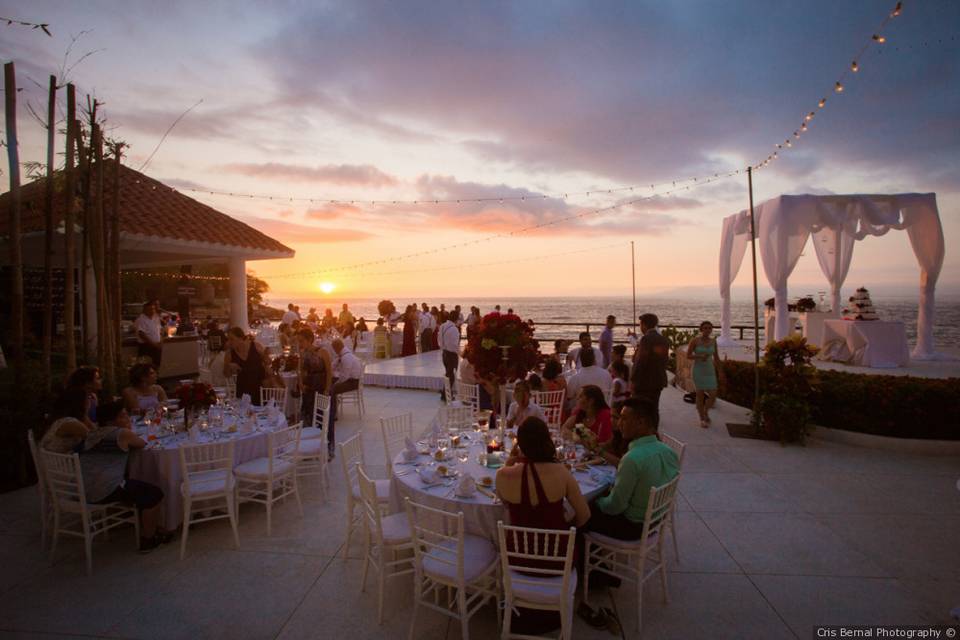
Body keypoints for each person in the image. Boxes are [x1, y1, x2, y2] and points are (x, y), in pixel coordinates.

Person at [495, 416, 591, 635]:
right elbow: (584, 515)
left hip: (518, 558)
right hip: (558, 560)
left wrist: (512, 459)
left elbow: (504, 504)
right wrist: (566, 526)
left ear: (519, 443)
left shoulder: (502, 476)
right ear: (547, 440)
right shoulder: (561, 473)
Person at [41, 393, 172, 553]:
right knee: (154, 494)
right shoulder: (122, 434)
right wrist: (129, 431)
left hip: (80, 489)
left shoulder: (91, 435)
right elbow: (142, 443)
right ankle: (149, 539)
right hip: (103, 490)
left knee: (134, 484)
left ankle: (152, 526)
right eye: (124, 416)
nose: (128, 420)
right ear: (112, 421)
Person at [586, 398, 679, 540]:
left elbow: (615, 507)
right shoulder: (668, 451)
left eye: (624, 419)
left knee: (579, 512)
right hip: (656, 520)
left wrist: (595, 501)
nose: (619, 423)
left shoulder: (632, 459)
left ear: (640, 423)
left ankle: (583, 560)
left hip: (633, 528)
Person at [630, 313, 670, 426]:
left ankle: (643, 433)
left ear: (644, 325)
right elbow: (664, 360)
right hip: (658, 380)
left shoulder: (646, 339)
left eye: (640, 324)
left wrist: (633, 380)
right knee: (654, 409)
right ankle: (653, 432)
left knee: (640, 410)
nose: (640, 327)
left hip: (644, 382)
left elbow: (641, 362)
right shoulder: (663, 339)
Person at [328, 338, 364, 458]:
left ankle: (333, 413)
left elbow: (345, 376)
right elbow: (334, 365)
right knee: (331, 384)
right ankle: (333, 408)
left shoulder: (346, 357)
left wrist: (336, 382)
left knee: (332, 390)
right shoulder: (343, 355)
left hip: (352, 382)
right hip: (349, 379)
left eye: (333, 349)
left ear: (336, 348)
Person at [687, 320, 724, 428]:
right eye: (705, 328)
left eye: (709, 328)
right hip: (698, 370)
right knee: (700, 394)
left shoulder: (713, 341)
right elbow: (688, 356)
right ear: (701, 329)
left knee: (713, 395)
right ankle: (702, 418)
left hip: (710, 370)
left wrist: (720, 372)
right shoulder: (695, 341)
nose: (707, 330)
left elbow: (716, 358)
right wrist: (699, 356)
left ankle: (705, 410)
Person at [223, 327, 273, 404]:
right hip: (243, 390)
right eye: (228, 339)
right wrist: (228, 366)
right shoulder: (229, 354)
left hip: (260, 388)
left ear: (240, 338)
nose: (229, 342)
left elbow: (268, 362)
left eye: (231, 339)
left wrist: (266, 355)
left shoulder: (256, 346)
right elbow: (226, 374)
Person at [297, 327, 333, 428]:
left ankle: (324, 440)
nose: (299, 344)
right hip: (308, 388)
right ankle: (310, 438)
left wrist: (327, 389)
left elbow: (329, 372)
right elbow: (300, 370)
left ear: (309, 340)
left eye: (301, 341)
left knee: (322, 416)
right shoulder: (302, 354)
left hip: (321, 387)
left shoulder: (322, 352)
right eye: (298, 341)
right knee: (308, 414)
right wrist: (300, 383)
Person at [565, 348, 611, 412]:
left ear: (581, 360)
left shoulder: (575, 378)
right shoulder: (606, 374)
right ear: (594, 359)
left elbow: (569, 396)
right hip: (604, 407)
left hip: (583, 411)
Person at [135, 301, 163, 368]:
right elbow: (141, 334)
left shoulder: (156, 318)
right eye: (150, 309)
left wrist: (161, 341)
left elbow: (159, 331)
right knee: (146, 368)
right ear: (144, 310)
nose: (152, 311)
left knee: (156, 366)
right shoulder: (140, 319)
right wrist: (154, 344)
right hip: (146, 347)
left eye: (153, 309)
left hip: (157, 347)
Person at [439, 310, 461, 398]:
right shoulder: (454, 329)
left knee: (448, 374)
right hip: (452, 354)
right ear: (456, 319)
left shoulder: (443, 326)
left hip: (444, 353)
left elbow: (439, 339)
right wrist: (459, 353)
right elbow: (455, 345)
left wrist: (443, 348)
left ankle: (446, 393)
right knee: (451, 375)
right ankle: (446, 395)